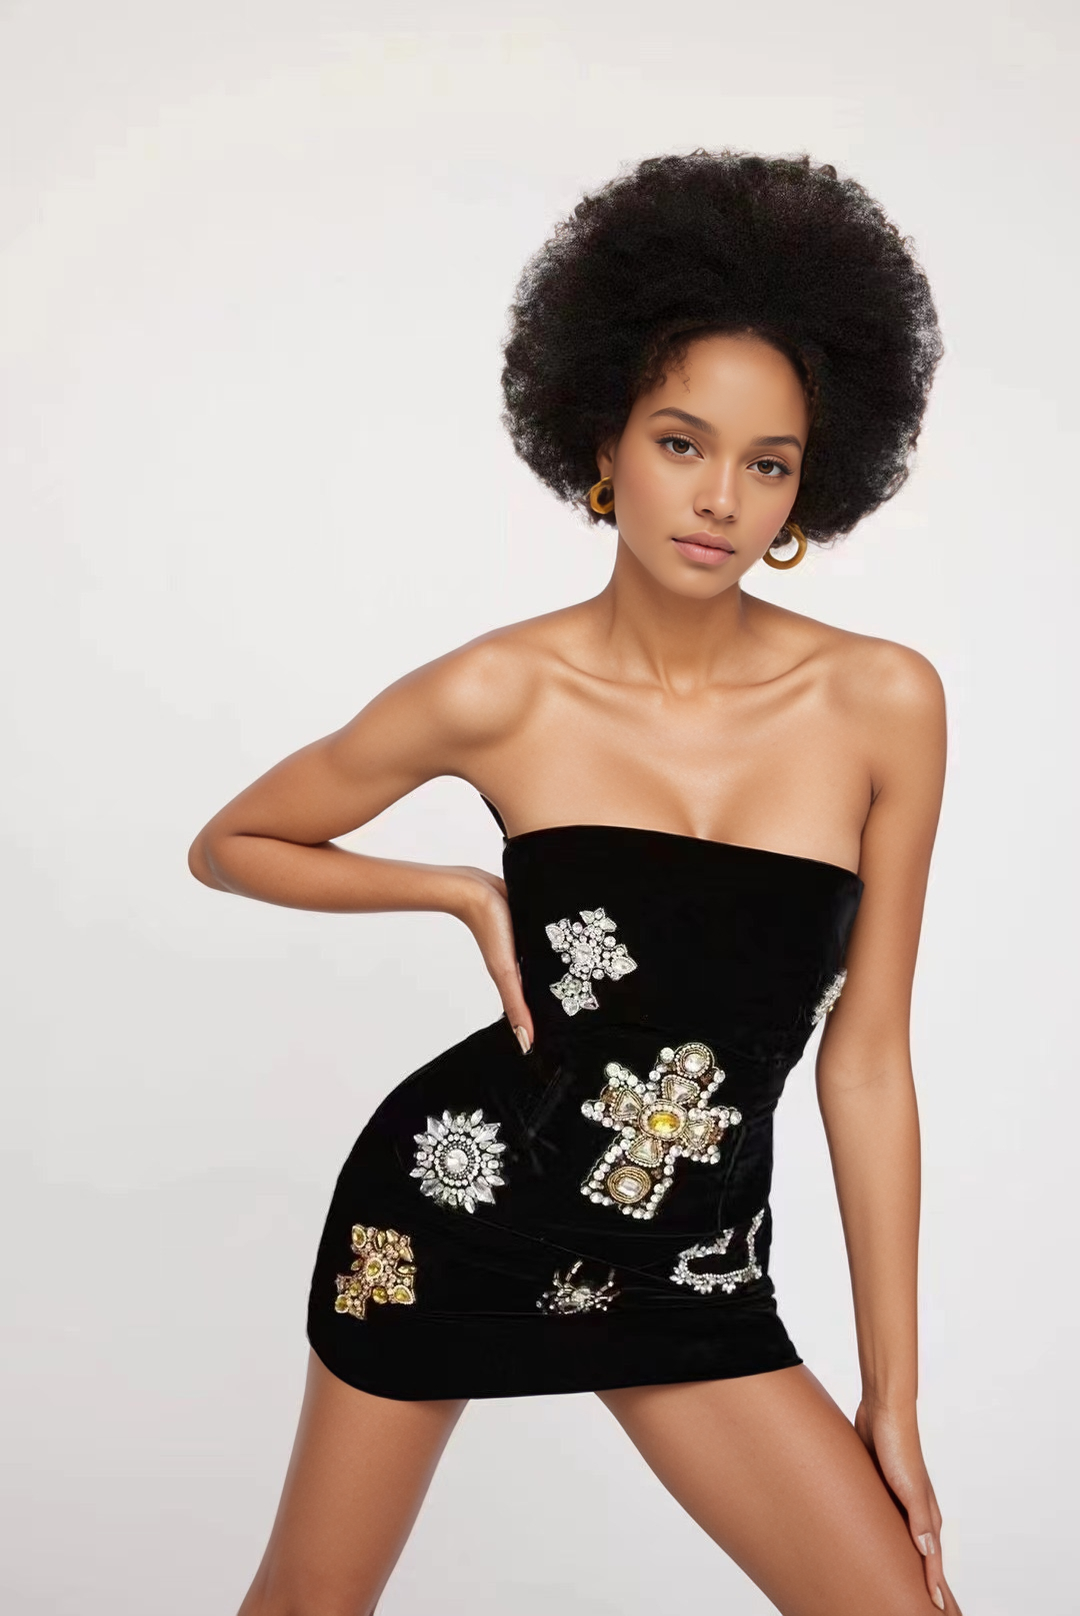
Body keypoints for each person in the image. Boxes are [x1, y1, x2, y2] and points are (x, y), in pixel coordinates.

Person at [189, 150, 960, 1616]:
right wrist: (455, 892)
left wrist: (894, 1401)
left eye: (768, 462)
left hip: (691, 1267)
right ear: (603, 438)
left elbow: (867, 1064)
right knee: (307, 1606)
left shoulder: (884, 704)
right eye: (682, 441)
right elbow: (233, 843)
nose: (720, 498)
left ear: (812, 483)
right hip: (458, 1209)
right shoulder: (501, 692)